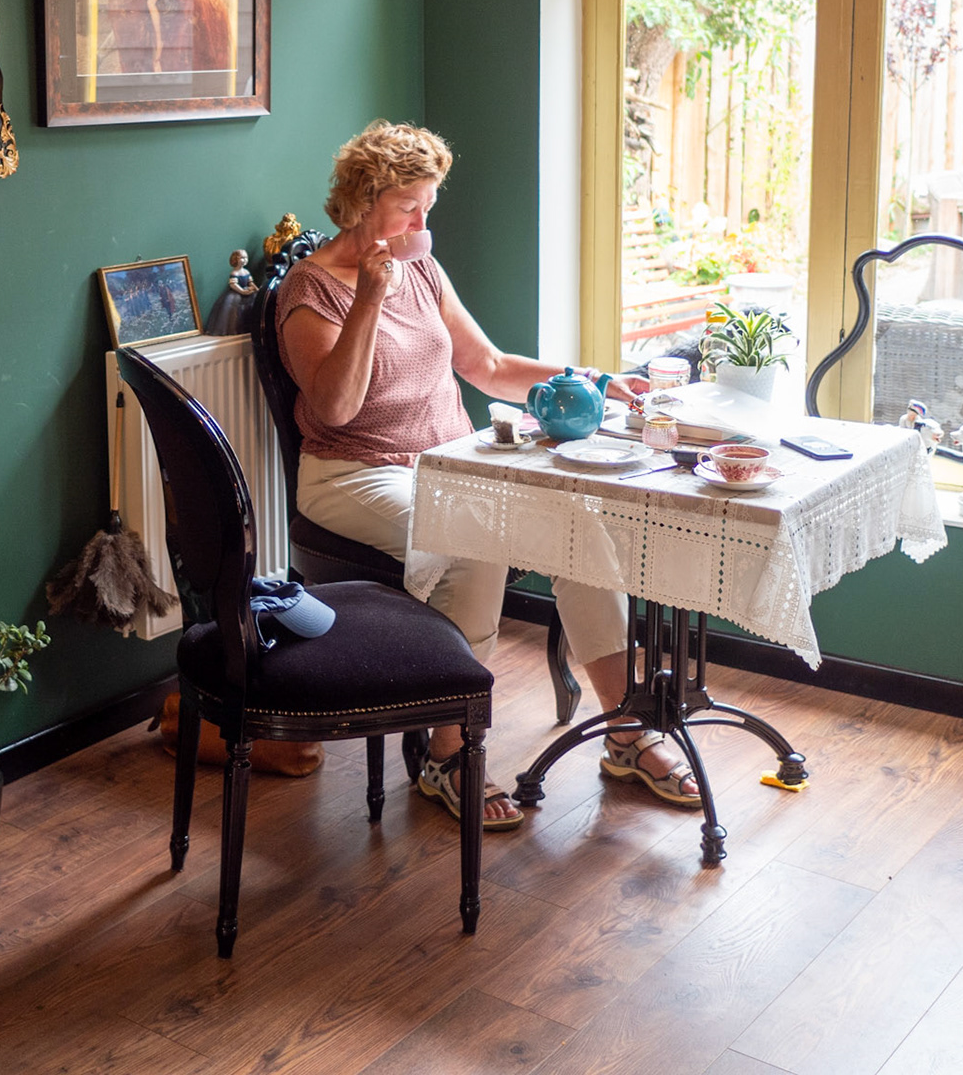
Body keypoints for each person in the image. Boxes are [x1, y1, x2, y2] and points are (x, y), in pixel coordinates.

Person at [277, 121, 702, 829]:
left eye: (428, 205)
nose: (422, 224)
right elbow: (336, 408)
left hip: (450, 461)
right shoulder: (309, 291)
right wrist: (371, 297)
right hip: (355, 474)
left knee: (579, 523)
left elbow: (489, 366)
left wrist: (593, 378)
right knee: (473, 536)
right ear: (363, 202)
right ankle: (449, 753)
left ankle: (627, 730)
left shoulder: (421, 269)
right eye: (409, 207)